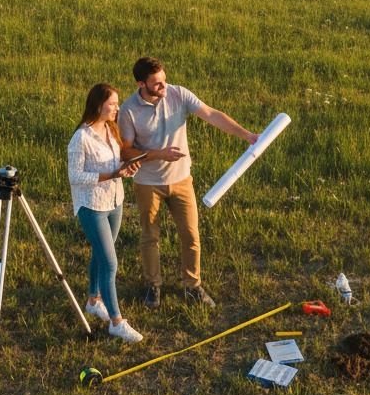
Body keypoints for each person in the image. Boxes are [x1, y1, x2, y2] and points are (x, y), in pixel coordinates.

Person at [118, 56, 257, 309]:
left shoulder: (178, 94)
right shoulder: (128, 110)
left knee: (191, 235)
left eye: (164, 80)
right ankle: (153, 286)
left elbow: (211, 114)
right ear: (141, 84)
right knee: (150, 237)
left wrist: (246, 135)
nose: (164, 87)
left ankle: (192, 286)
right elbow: (126, 151)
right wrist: (160, 154)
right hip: (148, 183)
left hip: (182, 180)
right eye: (157, 84)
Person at [67, 82, 144, 343]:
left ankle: (93, 300)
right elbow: (75, 177)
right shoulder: (81, 138)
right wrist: (112, 174)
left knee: (101, 254)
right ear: (99, 105)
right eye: (112, 104)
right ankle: (116, 321)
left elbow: (116, 162)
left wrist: (126, 167)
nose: (117, 107)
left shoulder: (111, 130)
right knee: (110, 263)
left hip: (114, 200)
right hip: (92, 206)